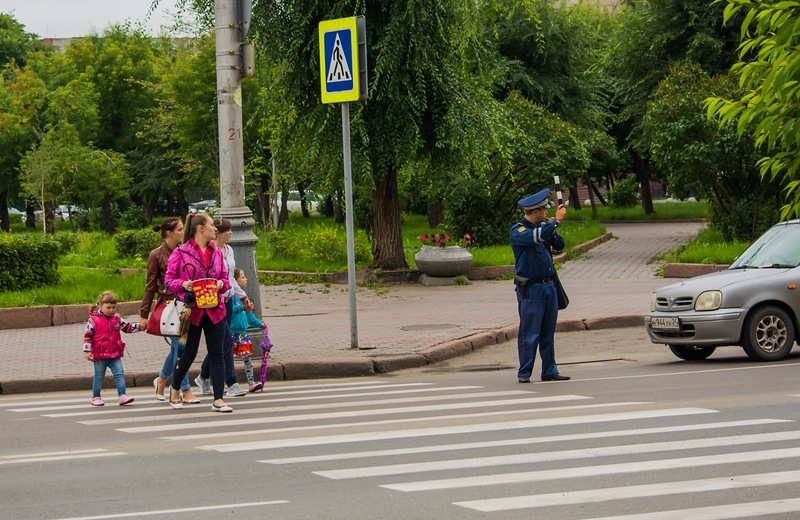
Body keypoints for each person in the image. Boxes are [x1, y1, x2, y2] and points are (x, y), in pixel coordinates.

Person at [164, 213, 233, 412]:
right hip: (190, 311)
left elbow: (225, 279)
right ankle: (175, 388)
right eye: (212, 225)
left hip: (215, 310)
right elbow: (169, 281)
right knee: (188, 355)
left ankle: (218, 399)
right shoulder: (181, 252)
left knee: (217, 353)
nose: (215, 229)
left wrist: (221, 284)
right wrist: (183, 284)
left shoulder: (217, 252)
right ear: (200, 228)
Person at [510, 188, 570, 383]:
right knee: (530, 332)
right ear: (536, 211)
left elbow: (560, 246)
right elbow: (535, 237)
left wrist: (552, 229)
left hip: (549, 286)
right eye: (544, 209)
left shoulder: (543, 228)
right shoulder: (519, 231)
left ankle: (549, 370)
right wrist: (556, 221)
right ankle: (524, 372)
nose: (546, 212)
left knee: (547, 331)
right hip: (532, 289)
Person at [139, 217, 200, 404]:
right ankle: (185, 389)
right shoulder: (156, 255)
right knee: (178, 348)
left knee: (177, 349)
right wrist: (144, 315)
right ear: (169, 233)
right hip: (170, 307)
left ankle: (162, 380)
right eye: (180, 230)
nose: (183, 232)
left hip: (188, 305)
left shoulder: (187, 251)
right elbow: (150, 286)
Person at [194, 217, 250, 398]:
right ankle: (231, 382)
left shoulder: (229, 250)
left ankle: (203, 376)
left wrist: (242, 295)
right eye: (228, 230)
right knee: (225, 342)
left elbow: (230, 278)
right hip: (214, 303)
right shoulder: (211, 251)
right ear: (218, 232)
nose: (231, 233)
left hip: (229, 300)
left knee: (221, 343)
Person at [83, 291, 141, 406]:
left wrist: (141, 327)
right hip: (99, 355)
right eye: (108, 307)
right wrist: (87, 351)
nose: (111, 310)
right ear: (100, 305)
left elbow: (127, 327)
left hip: (115, 353)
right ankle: (96, 397)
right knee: (99, 376)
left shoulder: (117, 318)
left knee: (119, 373)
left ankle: (122, 395)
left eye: (113, 307)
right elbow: (87, 336)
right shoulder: (93, 320)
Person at [230, 268, 267, 392]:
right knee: (228, 359)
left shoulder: (244, 297)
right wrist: (243, 308)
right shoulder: (231, 296)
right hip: (230, 332)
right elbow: (232, 311)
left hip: (241, 334)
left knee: (247, 357)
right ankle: (227, 382)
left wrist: (260, 324)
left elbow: (250, 316)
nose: (246, 279)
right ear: (234, 281)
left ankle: (251, 382)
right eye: (242, 277)